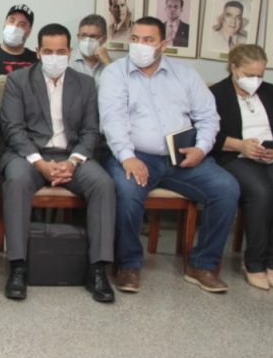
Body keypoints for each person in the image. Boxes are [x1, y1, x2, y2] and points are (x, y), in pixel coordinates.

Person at [98, 17, 239, 294]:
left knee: (227, 188)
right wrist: (127, 157)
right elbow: (112, 120)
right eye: (135, 39)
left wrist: (201, 148)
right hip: (136, 155)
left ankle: (202, 265)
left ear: (163, 44)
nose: (139, 45)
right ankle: (129, 264)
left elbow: (208, 117)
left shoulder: (185, 75)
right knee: (127, 191)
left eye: (148, 40)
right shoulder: (115, 74)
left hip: (183, 157)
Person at [0, 24, 116, 303]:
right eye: (48, 51)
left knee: (103, 184)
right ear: (38, 52)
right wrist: (39, 163)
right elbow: (13, 130)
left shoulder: (85, 84)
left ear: (70, 52)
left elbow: (91, 131)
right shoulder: (17, 80)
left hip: (71, 156)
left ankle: (98, 269)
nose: (55, 57)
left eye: (61, 51)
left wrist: (73, 162)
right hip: (29, 155)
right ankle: (18, 266)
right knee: (15, 181)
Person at [209, 45, 273, 291]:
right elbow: (208, 134)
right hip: (236, 156)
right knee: (261, 193)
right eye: (249, 75)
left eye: (260, 75)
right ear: (233, 67)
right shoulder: (215, 94)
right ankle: (254, 263)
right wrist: (241, 145)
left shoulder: (272, 92)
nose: (255, 80)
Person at [0, 4, 37, 80]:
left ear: (29, 32)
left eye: (22, 24)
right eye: (11, 21)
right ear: (4, 23)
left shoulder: (36, 60)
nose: (15, 27)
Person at [70, 13, 112, 82]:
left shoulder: (111, 63)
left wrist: (108, 63)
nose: (88, 40)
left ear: (104, 39)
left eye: (93, 36)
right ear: (78, 37)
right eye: (84, 35)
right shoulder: (68, 61)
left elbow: (122, 85)